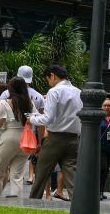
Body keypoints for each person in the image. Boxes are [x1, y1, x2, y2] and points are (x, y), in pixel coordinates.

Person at [28, 64, 82, 200]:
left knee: (41, 173)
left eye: (48, 79)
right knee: (72, 175)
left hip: (55, 138)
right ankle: (79, 206)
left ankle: (32, 203)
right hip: (74, 139)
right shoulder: (79, 92)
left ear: (52, 76)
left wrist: (32, 118)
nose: (49, 82)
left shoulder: (54, 91)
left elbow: (48, 118)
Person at [0, 77, 34, 197]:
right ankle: (16, 202)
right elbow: (38, 120)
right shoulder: (29, 103)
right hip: (25, 138)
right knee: (17, 175)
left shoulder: (4, 103)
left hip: (9, 136)